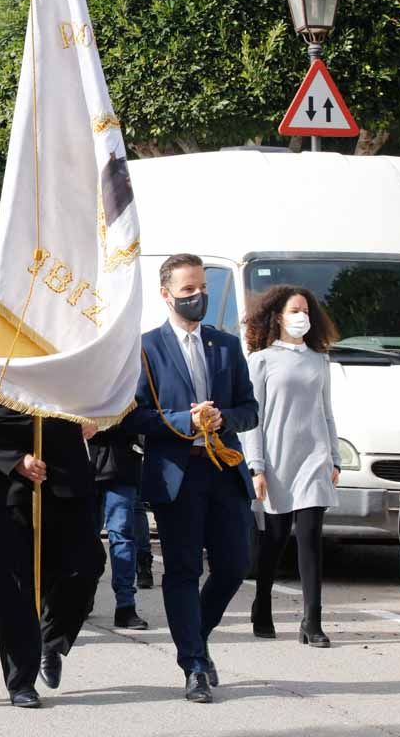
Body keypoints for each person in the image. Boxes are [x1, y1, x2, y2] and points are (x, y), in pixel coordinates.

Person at [122, 253, 259, 704]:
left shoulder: (225, 344)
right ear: (166, 295)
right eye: (188, 290)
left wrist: (222, 419)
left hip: (223, 469)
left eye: (202, 288)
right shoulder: (145, 348)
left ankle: (196, 635)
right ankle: (194, 664)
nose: (198, 296)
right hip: (177, 474)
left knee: (235, 564)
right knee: (182, 569)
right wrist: (184, 420)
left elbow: (249, 409)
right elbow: (131, 416)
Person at [0, 383, 105, 708]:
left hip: (64, 479)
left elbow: (94, 392)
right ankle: (21, 679)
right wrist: (15, 460)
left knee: (86, 564)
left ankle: (51, 639)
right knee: (16, 587)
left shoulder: (61, 356)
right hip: (6, 488)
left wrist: (95, 418)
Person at [242, 285, 341, 648]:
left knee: (311, 536)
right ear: (278, 316)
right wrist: (256, 466)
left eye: (306, 311)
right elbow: (253, 417)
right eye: (295, 310)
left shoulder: (320, 360)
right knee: (275, 538)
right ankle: (262, 603)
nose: (302, 317)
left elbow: (327, 411)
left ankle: (312, 621)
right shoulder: (262, 360)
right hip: (277, 459)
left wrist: (335, 457)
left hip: (314, 459)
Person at [89, 424, 149, 630]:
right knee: (86, 538)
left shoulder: (129, 389)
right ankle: (83, 596)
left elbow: (137, 409)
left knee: (122, 534)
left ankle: (125, 606)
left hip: (122, 461)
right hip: (85, 460)